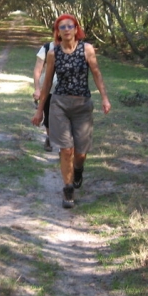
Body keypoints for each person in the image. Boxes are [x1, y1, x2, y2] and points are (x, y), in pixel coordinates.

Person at [31, 14, 111, 208]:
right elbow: (48, 81)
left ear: (76, 29)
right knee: (66, 149)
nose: (66, 29)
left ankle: (78, 170)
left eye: (70, 26)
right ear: (58, 32)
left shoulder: (87, 49)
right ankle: (68, 189)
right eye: (62, 27)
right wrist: (40, 110)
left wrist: (104, 98)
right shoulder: (53, 53)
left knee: (81, 152)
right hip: (59, 104)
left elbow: (97, 74)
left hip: (83, 104)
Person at [32, 30, 58, 152]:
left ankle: (63, 147)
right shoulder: (47, 48)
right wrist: (37, 89)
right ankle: (49, 138)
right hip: (48, 89)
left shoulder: (76, 48)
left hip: (67, 91)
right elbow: (38, 69)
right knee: (49, 117)